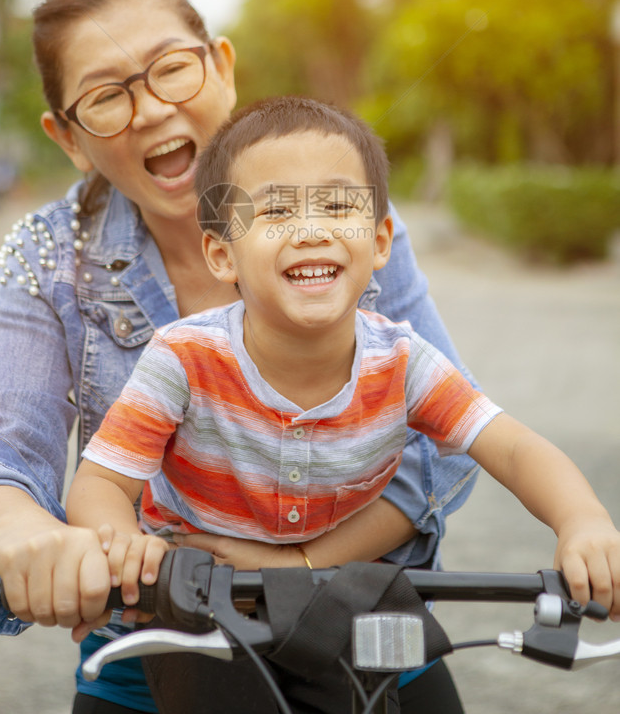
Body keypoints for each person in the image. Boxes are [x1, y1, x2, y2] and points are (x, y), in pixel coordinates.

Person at [0, 0, 480, 714]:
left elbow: (445, 441)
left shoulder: (334, 208)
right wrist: (21, 533)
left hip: (359, 616)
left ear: (222, 67)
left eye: (171, 69)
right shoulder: (49, 255)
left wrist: (298, 561)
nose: (150, 110)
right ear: (67, 137)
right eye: (106, 96)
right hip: (159, 638)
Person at [66, 96, 620, 711]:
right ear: (223, 255)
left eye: (336, 206)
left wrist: (583, 521)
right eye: (275, 210)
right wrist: (122, 543)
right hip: (192, 619)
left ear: (381, 240)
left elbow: (513, 447)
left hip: (345, 613)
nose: (311, 229)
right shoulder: (183, 359)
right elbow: (98, 483)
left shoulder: (404, 362)